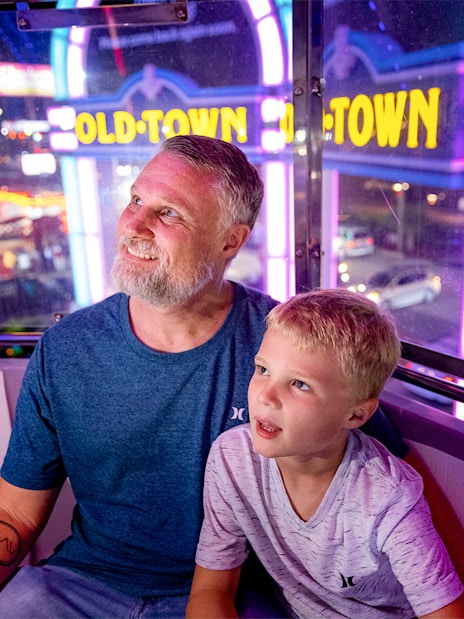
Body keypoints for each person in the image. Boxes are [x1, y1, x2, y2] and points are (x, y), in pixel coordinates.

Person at [0, 136, 446, 618]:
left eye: (169, 213)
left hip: (235, 592)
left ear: (230, 240)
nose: (134, 224)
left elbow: (406, 491)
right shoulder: (65, 348)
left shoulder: (289, 346)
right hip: (78, 584)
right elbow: (16, 513)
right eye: (135, 200)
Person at [187, 289, 464, 619]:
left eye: (300, 384)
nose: (266, 397)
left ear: (356, 415)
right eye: (263, 370)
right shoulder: (232, 459)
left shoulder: (389, 497)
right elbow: (211, 589)